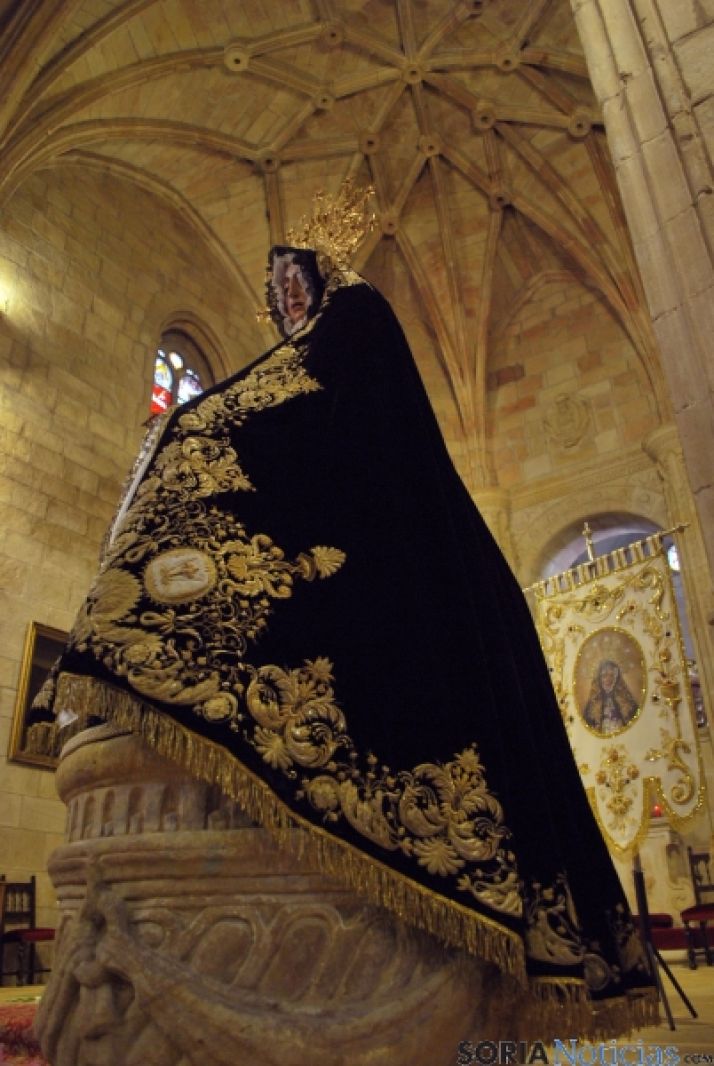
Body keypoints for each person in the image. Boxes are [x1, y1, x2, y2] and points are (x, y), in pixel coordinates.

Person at [32, 184, 656, 1037]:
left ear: (324, 276)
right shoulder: (309, 356)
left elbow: (314, 401)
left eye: (294, 280)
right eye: (275, 292)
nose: (285, 300)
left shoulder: (357, 321)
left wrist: (200, 421)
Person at [583, 659, 640, 734]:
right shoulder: (592, 704)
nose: (608, 679)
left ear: (616, 678)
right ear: (599, 679)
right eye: (604, 676)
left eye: (611, 675)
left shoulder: (626, 699)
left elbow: (636, 723)